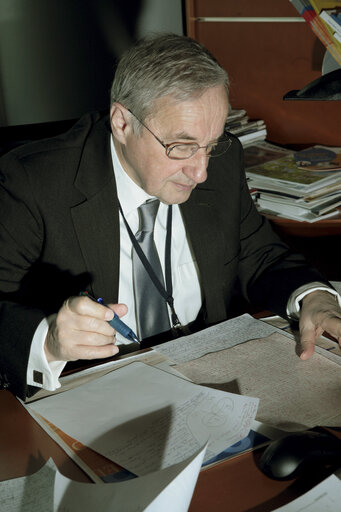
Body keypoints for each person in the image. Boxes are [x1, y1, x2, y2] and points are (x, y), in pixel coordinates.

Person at [0, 34, 340, 400]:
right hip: (92, 392)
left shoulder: (223, 162)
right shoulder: (32, 182)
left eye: (211, 145)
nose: (201, 172)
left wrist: (315, 298)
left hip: (209, 379)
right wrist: (49, 340)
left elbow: (258, 255)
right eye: (181, 147)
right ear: (122, 122)